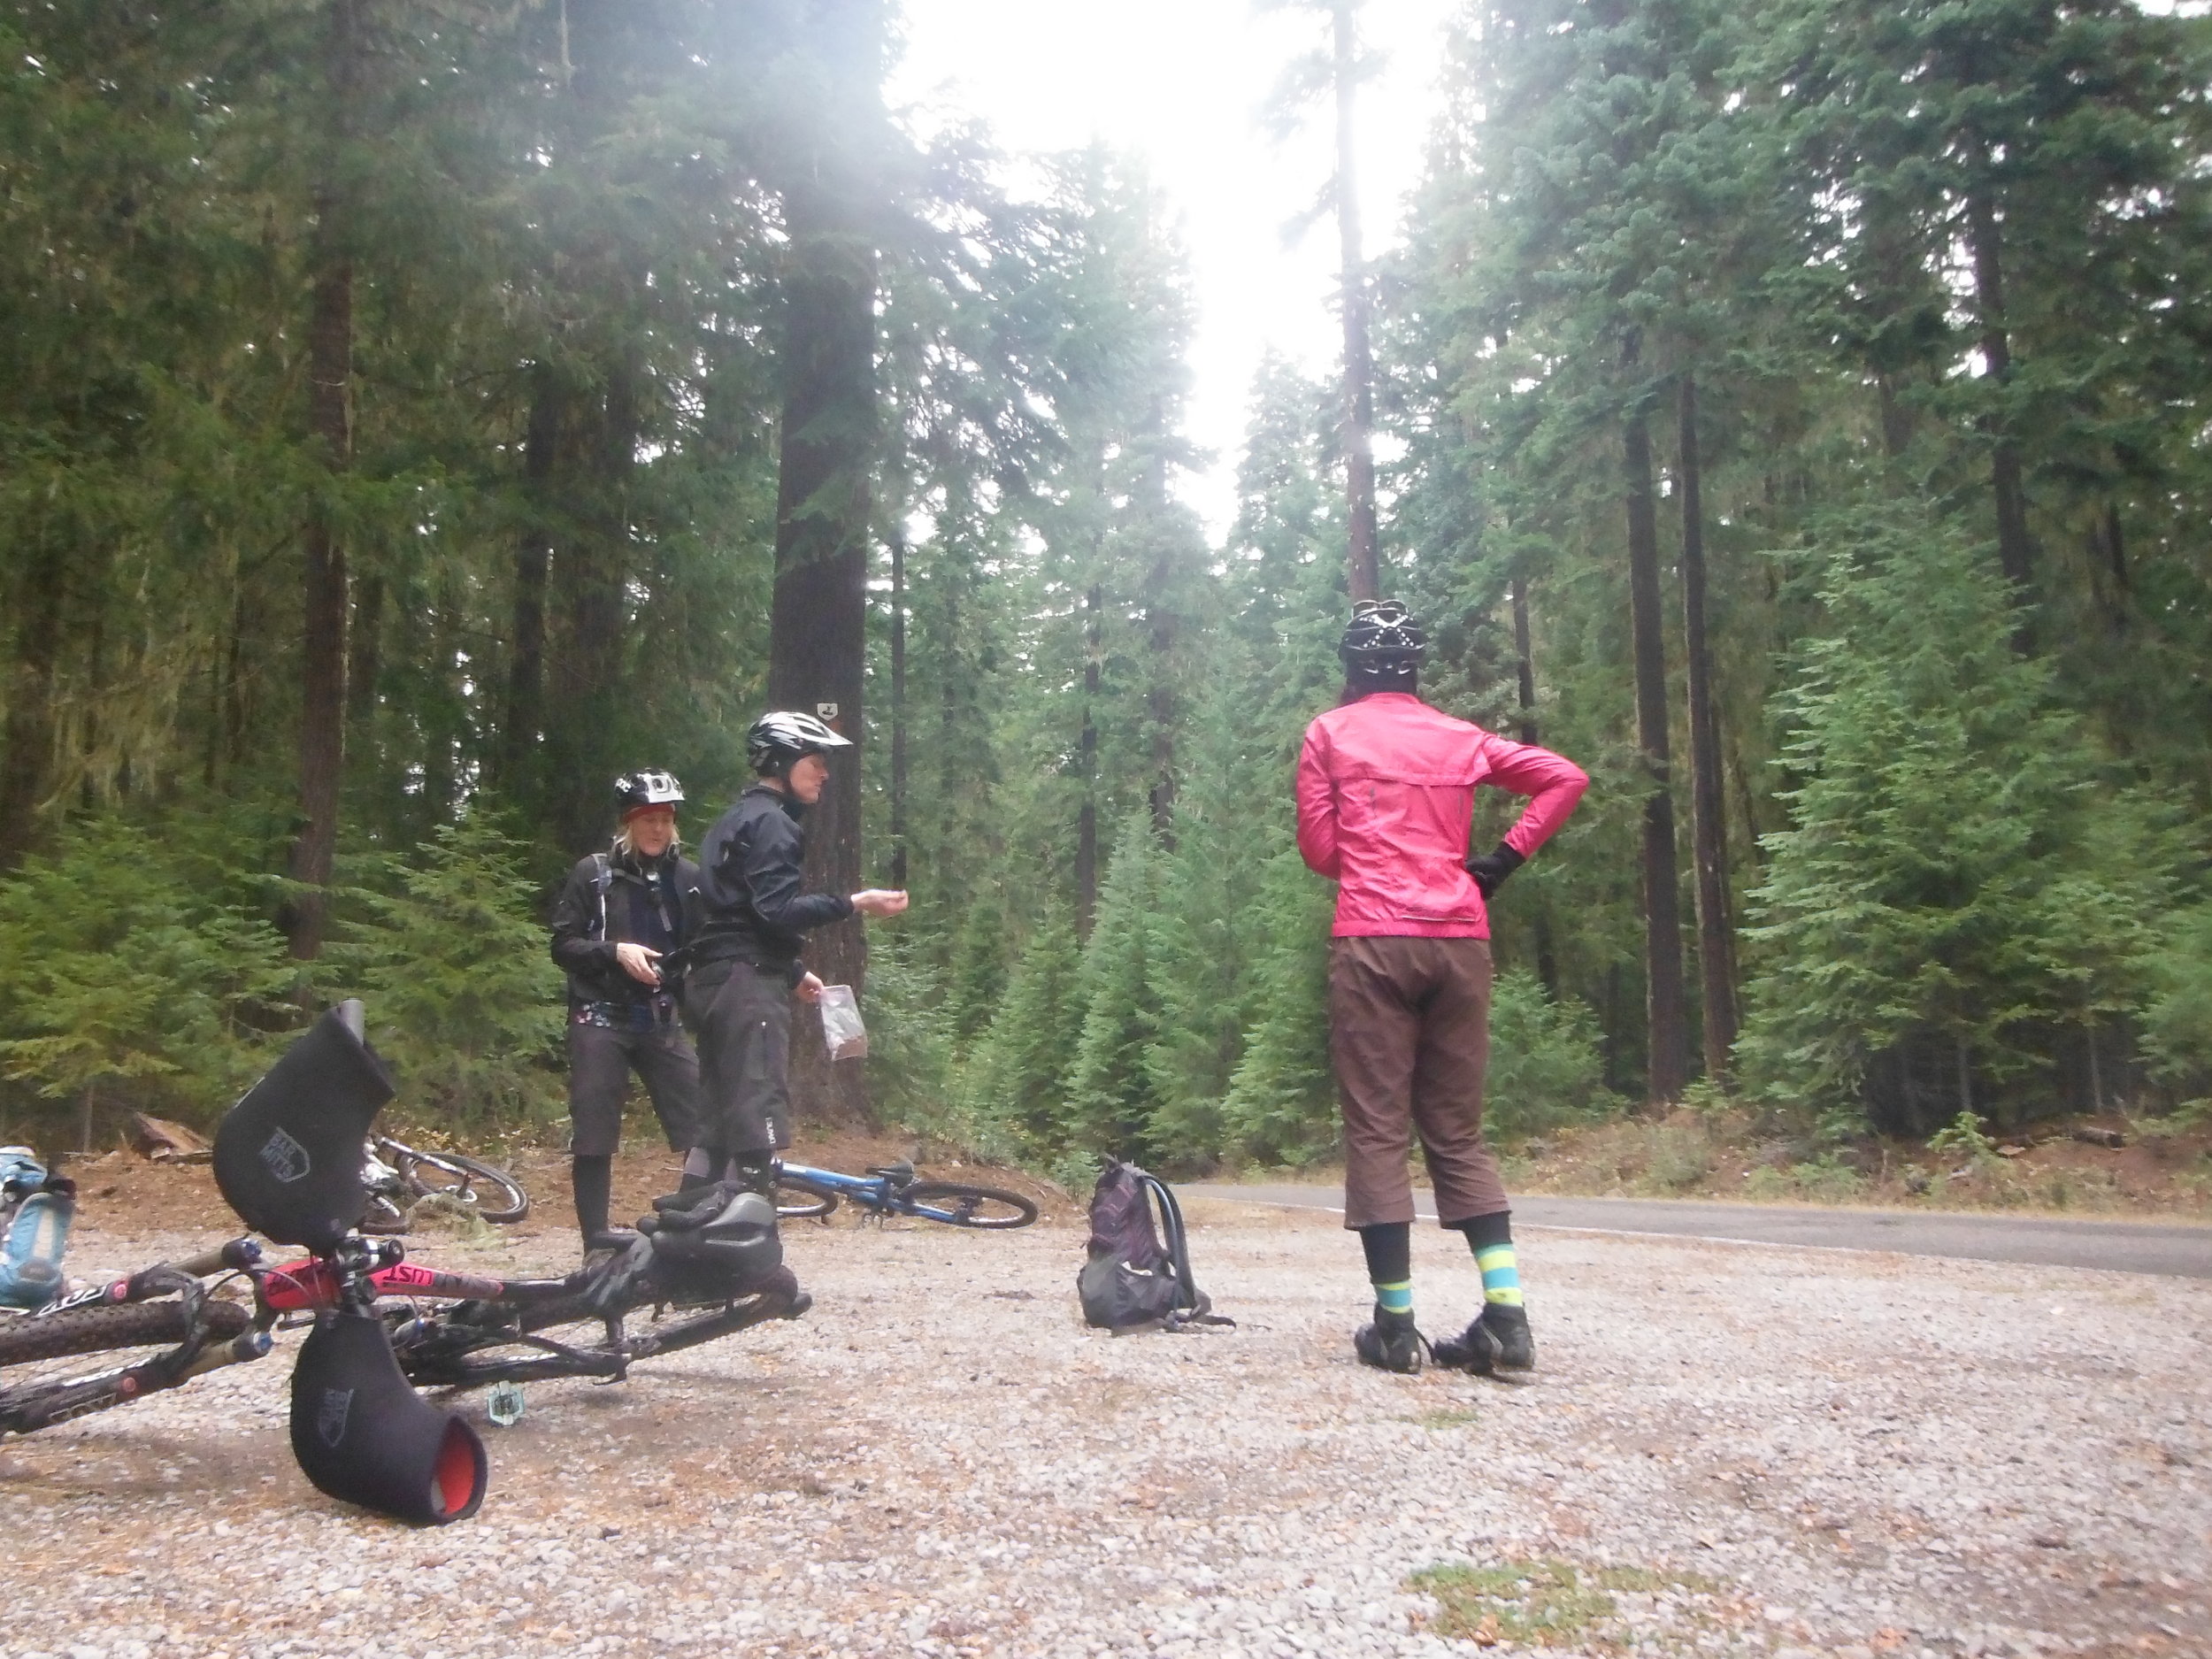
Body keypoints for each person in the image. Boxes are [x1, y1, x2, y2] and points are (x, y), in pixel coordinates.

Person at [1295, 601, 1588, 1375]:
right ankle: (1507, 1319)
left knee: (1378, 1127)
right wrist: (1498, 862)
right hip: (1460, 942)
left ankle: (1396, 1326)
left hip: (1372, 942)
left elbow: (1322, 851)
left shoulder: (1330, 732)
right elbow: (1565, 777)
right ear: (1416, 667)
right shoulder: (1462, 738)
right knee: (1457, 1132)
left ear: (1351, 666)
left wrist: (1372, 856)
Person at [684, 711, 908, 1194]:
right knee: (756, 1112)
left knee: (717, 1118)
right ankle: (748, 1240)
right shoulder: (773, 824)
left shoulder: (734, 819)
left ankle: (686, 1235)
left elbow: (732, 913)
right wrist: (853, 902)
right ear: (783, 761)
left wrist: (791, 970)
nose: (825, 772)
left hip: (713, 980)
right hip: (746, 986)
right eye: (815, 760)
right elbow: (775, 911)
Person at [549, 769, 704, 1255]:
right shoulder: (592, 874)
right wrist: (614, 951)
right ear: (628, 822)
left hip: (659, 1017)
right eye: (647, 819)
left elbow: (710, 942)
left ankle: (686, 1224)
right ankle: (596, 1237)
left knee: (704, 1121)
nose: (657, 828)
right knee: (594, 1128)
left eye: (665, 819)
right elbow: (563, 945)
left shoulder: (689, 878)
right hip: (599, 1015)